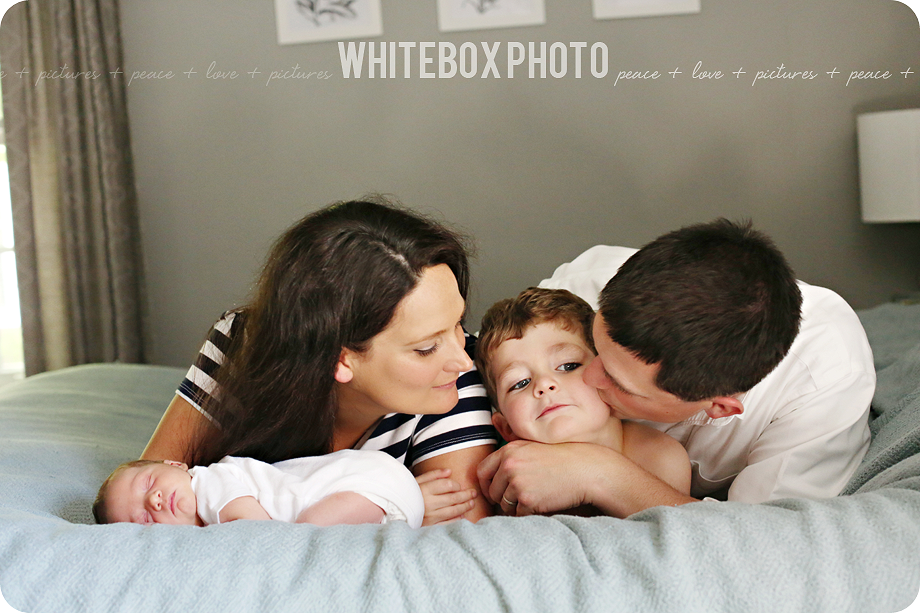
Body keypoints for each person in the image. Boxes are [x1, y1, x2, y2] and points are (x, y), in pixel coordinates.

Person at [478, 219, 875, 518]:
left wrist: (598, 473)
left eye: (617, 383)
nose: (587, 377)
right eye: (592, 349)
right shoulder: (582, 288)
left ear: (719, 405)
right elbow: (482, 365)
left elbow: (757, 543)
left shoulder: (824, 386)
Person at [140, 198, 497, 525]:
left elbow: (457, 541)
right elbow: (140, 500)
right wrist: (401, 511)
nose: (463, 358)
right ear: (339, 358)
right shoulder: (242, 345)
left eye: (459, 325)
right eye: (426, 347)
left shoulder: (455, 379)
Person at [474, 287, 690, 516]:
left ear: (608, 377)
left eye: (568, 366)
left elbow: (671, 536)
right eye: (520, 383)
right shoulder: (511, 475)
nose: (544, 384)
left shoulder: (658, 455)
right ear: (505, 427)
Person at [93, 450, 425, 528]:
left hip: (368, 483)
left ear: (175, 465)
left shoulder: (209, 483)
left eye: (150, 484)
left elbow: (256, 531)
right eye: (145, 521)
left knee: (304, 538)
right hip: (385, 489)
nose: (154, 500)